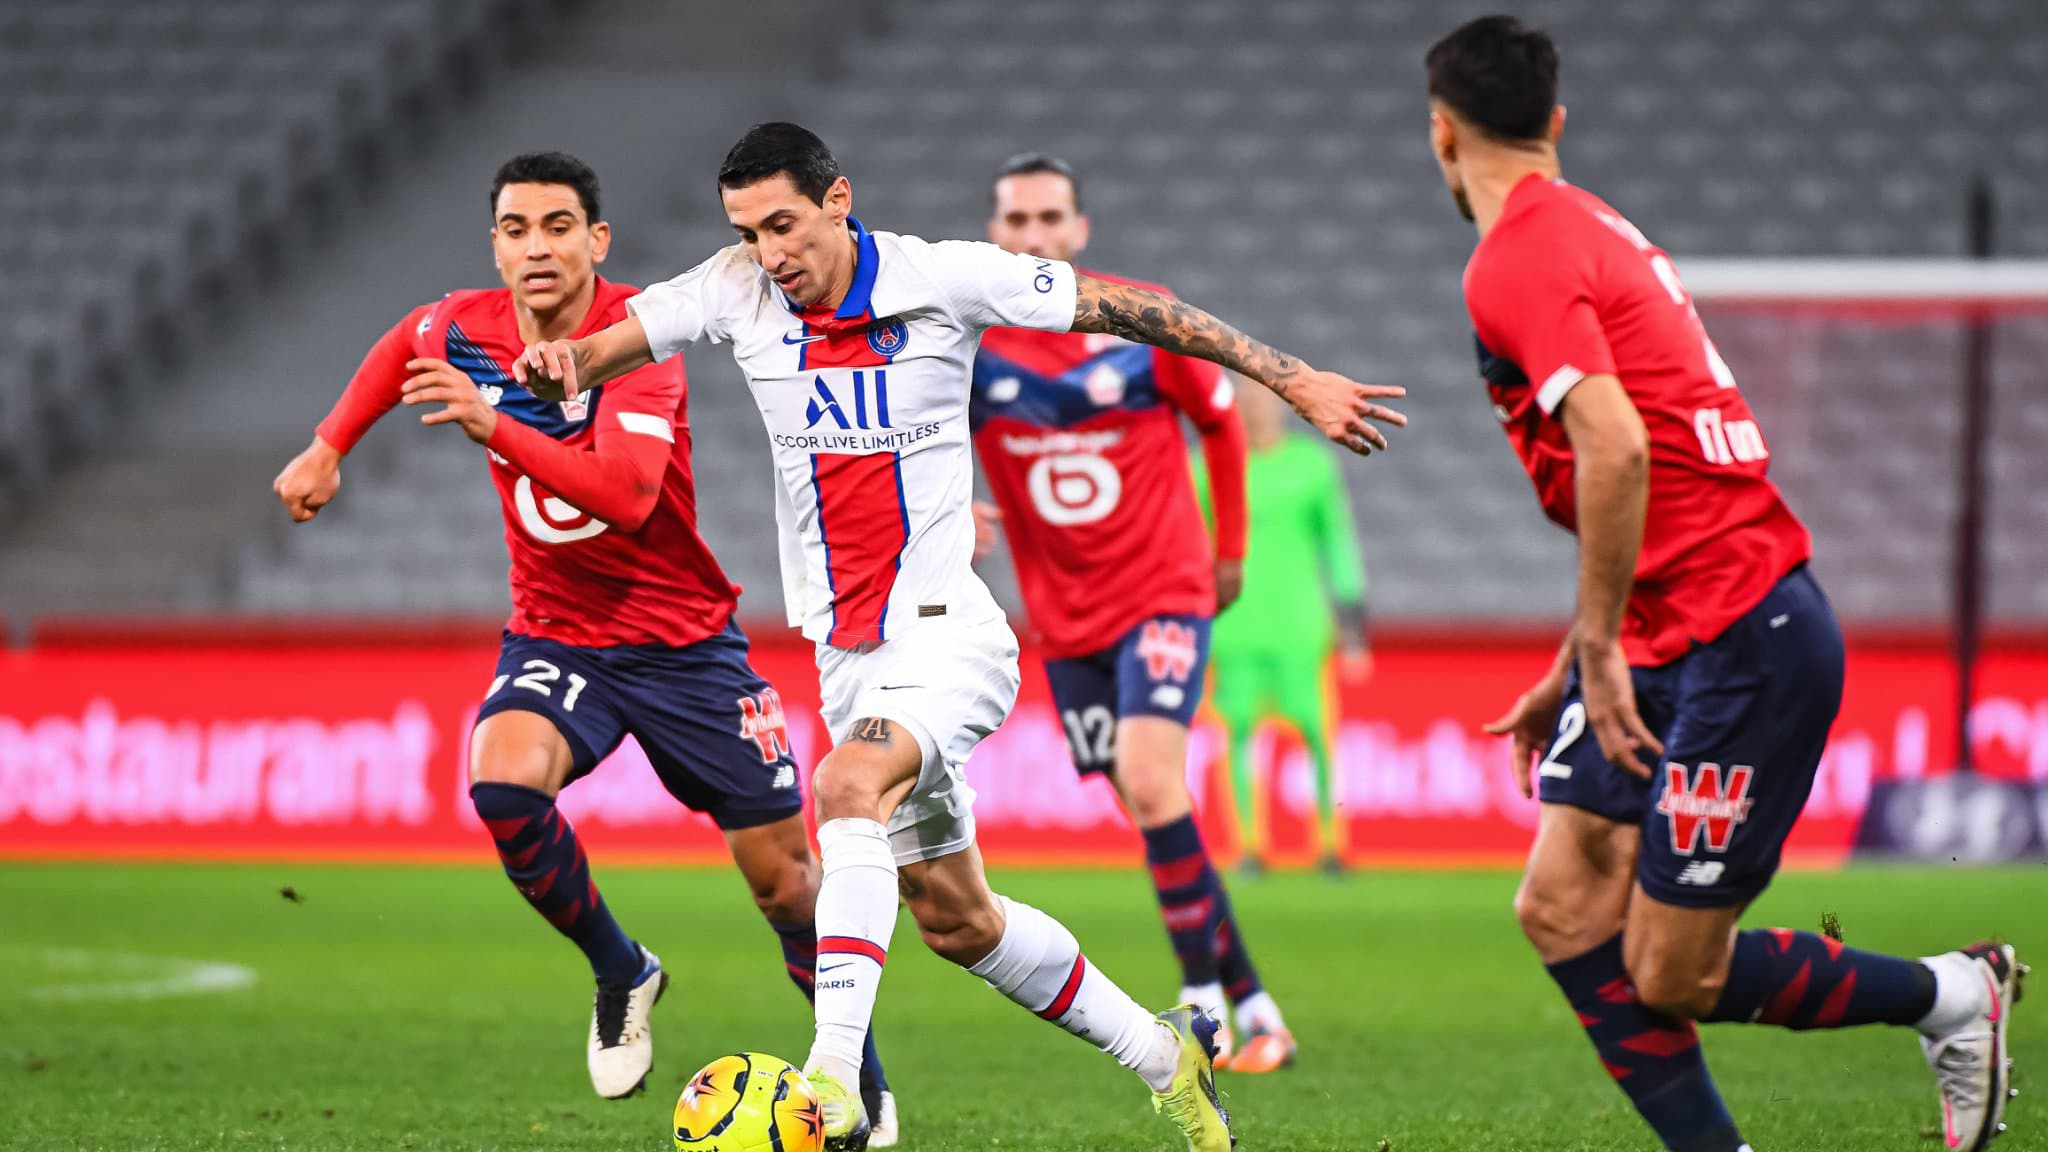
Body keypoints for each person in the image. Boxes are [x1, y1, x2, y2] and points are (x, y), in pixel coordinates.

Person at [512, 122, 1405, 1152]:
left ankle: (829, 1087)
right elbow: (603, 346)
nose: (770, 254)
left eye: (785, 226)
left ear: (838, 201)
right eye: (750, 231)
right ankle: (1166, 1057)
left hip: (945, 633)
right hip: (845, 653)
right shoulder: (736, 288)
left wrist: (1286, 378)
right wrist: (560, 366)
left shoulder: (947, 280)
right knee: (956, 920)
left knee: (843, 788)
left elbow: (1136, 311)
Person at [1426, 17, 2024, 1152]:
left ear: (1440, 132)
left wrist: (1594, 649)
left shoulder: (1514, 257)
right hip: (1667, 630)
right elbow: (1645, 476)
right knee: (1558, 905)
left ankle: (1953, 994)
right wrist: (1580, 657)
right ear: (1552, 123)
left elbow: (1617, 450)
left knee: (1669, 972)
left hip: (1744, 634)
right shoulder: (1593, 226)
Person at [270, 153, 899, 1140]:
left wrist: (493, 427)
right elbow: (402, 345)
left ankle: (859, 1081)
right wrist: (327, 443)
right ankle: (622, 969)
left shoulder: (637, 339)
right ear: (495, 244)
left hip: (687, 647)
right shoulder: (461, 325)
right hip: (560, 633)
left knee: (786, 883)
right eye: (515, 229)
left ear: (595, 241)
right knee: (501, 781)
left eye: (557, 226)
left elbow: (625, 494)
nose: (536, 247)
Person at [965, 152, 1295, 1074]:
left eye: (1049, 219)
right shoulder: (975, 341)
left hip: (1163, 588)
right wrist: (957, 506)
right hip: (1068, 624)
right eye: (1017, 220)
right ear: (995, 233)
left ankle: (1200, 1013)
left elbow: (1225, 423)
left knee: (1152, 782)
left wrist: (1229, 551)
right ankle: (1260, 1003)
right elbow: (918, 443)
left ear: (1079, 231)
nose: (1033, 236)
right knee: (1159, 813)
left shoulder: (1137, 315)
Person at [1196, 379, 1369, 877]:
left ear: (1283, 411)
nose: (1255, 416)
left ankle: (1330, 845)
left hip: (1300, 627)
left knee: (1318, 735)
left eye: (1263, 407)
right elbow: (1185, 542)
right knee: (1239, 737)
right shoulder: (1208, 466)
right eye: (1246, 407)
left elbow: (1337, 542)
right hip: (1233, 629)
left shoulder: (1311, 466)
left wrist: (1353, 620)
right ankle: (1249, 847)